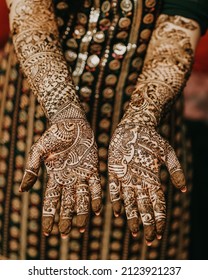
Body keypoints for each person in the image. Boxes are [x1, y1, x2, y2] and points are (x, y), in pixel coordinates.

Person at [0, 0, 207, 260]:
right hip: (34, 122)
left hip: (141, 147)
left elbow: (180, 26)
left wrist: (141, 120)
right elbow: (30, 14)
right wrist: (65, 112)